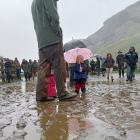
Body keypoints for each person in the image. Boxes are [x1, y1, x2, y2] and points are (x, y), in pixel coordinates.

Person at [31, 0, 77, 101]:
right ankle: (62, 93)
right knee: (59, 65)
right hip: (52, 38)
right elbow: (53, 16)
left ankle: (41, 95)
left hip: (41, 40)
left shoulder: (33, 2)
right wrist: (58, 32)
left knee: (43, 68)